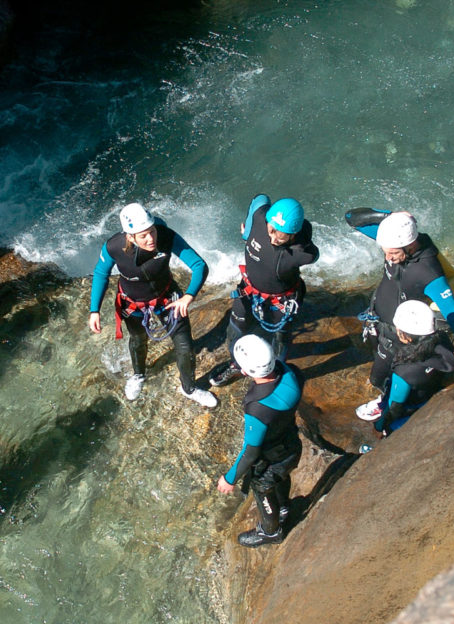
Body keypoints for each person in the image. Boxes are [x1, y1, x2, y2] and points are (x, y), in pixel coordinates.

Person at [347, 209, 454, 421]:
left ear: (410, 245)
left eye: (393, 253)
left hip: (402, 332)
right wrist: (390, 217)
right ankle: (387, 396)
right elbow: (351, 219)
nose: (389, 259)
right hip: (382, 323)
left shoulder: (429, 273)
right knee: (378, 373)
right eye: (385, 252)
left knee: (387, 374)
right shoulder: (395, 240)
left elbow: (453, 314)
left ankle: (389, 404)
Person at [88, 202, 218, 408]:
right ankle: (139, 375)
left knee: (184, 346)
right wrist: (94, 310)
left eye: (152, 231)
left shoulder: (166, 236)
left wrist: (188, 296)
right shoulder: (113, 246)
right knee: (138, 340)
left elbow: (199, 265)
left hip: (167, 298)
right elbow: (101, 273)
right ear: (130, 236)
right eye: (143, 235)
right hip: (133, 303)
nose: (151, 239)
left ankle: (189, 388)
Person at [210, 195, 319, 387]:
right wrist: (248, 233)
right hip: (248, 291)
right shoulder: (261, 217)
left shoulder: (297, 254)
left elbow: (313, 253)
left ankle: (274, 371)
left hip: (281, 301)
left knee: (281, 336)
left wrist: (249, 235)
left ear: (294, 234)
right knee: (236, 329)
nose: (273, 238)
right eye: (271, 230)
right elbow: (259, 199)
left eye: (281, 235)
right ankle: (237, 364)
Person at [216, 335, 303, 547]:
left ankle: (271, 531)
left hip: (272, 458)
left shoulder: (258, 408)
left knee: (262, 486)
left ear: (246, 372)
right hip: (291, 444)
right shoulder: (291, 372)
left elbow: (251, 452)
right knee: (281, 478)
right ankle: (284, 506)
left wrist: (230, 478)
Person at [369, 300, 454, 437]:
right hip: (433, 394)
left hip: (414, 407)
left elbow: (394, 408)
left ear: (407, 336)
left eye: (399, 329)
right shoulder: (443, 342)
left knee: (389, 425)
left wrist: (379, 426)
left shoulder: (405, 371)